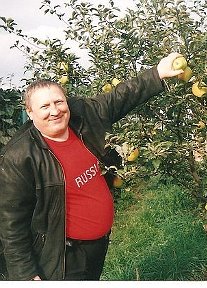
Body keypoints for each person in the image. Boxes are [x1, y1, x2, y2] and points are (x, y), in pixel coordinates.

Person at [0, 52, 184, 280]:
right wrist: (26, 275)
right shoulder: (19, 156)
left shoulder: (82, 118)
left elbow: (119, 97)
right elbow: (11, 223)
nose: (55, 111)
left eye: (59, 102)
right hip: (63, 257)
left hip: (97, 246)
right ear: (30, 112)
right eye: (45, 106)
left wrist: (157, 73)